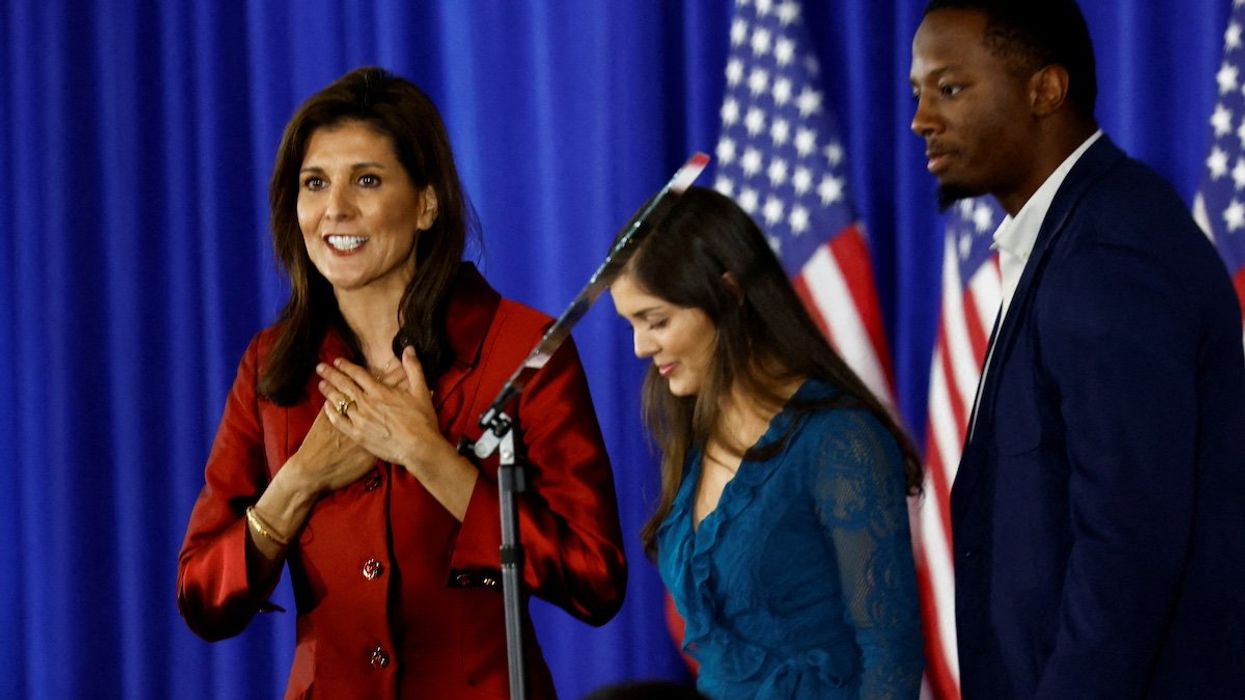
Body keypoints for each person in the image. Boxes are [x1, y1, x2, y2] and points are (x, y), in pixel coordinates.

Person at [176, 66, 627, 699]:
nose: (335, 208)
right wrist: (299, 481)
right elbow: (203, 598)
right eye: (314, 183)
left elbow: (596, 579)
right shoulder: (270, 365)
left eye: (366, 180)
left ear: (426, 203)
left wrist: (429, 456)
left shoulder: (523, 350)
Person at [910, 2, 1245, 697]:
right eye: (917, 94)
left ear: (1044, 90)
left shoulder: (1107, 251)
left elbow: (1125, 546)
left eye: (948, 88)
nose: (921, 119)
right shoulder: (1076, 234)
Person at [609, 186, 925, 699]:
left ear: (729, 294)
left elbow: (891, 655)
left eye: (657, 321)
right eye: (632, 325)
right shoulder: (695, 433)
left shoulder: (839, 438)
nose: (641, 347)